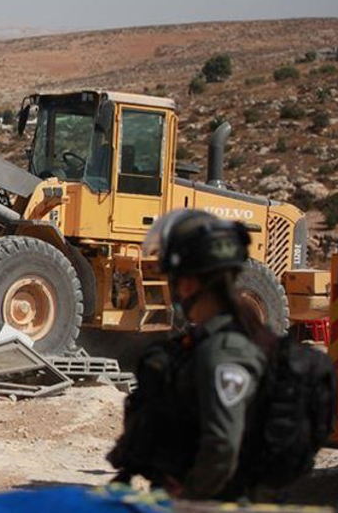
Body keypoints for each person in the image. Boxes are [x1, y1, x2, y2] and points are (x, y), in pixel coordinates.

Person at [108, 209, 267, 501]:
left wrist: (188, 498)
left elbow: (222, 446)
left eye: (173, 276)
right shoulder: (201, 343)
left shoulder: (224, 353)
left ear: (189, 283)